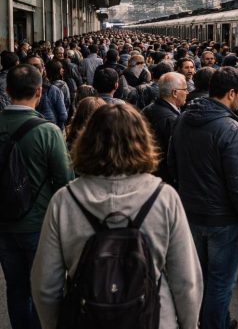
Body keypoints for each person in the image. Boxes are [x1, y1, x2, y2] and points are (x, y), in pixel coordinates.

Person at [30, 104, 204, 329]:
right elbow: (186, 281)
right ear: (142, 142)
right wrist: (189, 324)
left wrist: (52, 324)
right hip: (154, 317)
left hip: (86, 317)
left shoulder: (64, 200)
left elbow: (45, 285)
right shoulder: (164, 197)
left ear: (87, 142)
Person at [168, 67, 238, 329]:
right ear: (230, 93)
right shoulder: (231, 129)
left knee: (201, 277)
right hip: (223, 220)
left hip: (191, 213)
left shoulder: (184, 119)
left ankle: (214, 321)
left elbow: (172, 164)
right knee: (220, 283)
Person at [0, 64, 75, 329]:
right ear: (39, 92)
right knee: (44, 288)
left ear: (7, 91)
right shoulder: (48, 131)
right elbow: (65, 181)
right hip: (39, 223)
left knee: (15, 287)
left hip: (4, 224)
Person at [143, 73, 188, 185]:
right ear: (175, 93)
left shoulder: (147, 109)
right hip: (164, 179)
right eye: (185, 89)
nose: (187, 92)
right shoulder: (171, 119)